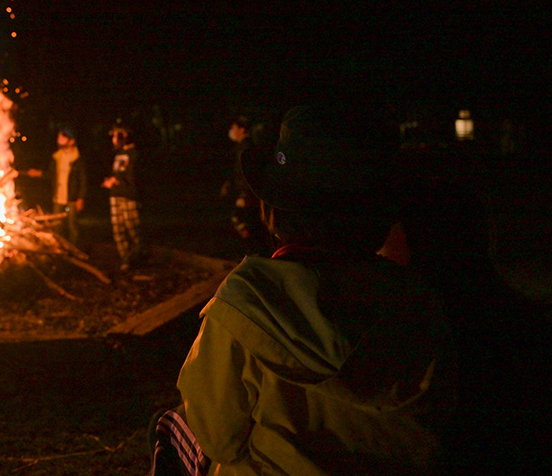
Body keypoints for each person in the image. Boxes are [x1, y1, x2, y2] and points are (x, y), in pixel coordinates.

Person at [151, 105, 457, 475]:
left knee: (174, 428)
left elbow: (218, 436)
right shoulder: (420, 300)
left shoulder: (249, 299)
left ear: (273, 212)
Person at [24, 126, 87, 246]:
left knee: (72, 226)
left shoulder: (77, 158)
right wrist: (39, 174)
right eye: (59, 136)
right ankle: (58, 249)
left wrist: (81, 198)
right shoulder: (57, 157)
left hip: (72, 198)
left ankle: (73, 249)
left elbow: (82, 180)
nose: (59, 138)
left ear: (71, 141)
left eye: (63, 136)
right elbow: (51, 175)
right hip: (58, 197)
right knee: (58, 226)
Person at [220, 115, 271, 256]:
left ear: (242, 129)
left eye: (234, 128)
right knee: (252, 226)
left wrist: (246, 195)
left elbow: (247, 174)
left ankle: (258, 255)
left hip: (248, 197)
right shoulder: (244, 147)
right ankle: (258, 254)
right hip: (249, 195)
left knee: (246, 225)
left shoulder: (245, 148)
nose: (231, 131)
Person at [101, 121, 143, 272]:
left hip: (128, 197)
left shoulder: (134, 154)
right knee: (118, 230)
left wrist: (117, 181)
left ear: (124, 136)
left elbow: (133, 178)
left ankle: (138, 256)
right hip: (115, 196)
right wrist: (111, 180)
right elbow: (118, 173)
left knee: (132, 229)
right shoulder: (119, 154)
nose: (113, 140)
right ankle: (125, 259)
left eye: (115, 136)